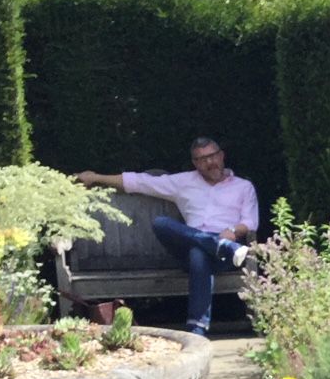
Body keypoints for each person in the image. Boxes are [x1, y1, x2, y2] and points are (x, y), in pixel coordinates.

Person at [76, 137, 258, 336]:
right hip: (191, 247)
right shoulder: (183, 182)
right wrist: (95, 177)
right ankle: (216, 244)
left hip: (226, 254)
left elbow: (250, 222)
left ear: (221, 156)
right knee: (161, 223)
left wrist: (232, 230)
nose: (209, 162)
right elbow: (139, 182)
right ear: (195, 164)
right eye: (202, 159)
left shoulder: (243, 187)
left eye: (212, 156)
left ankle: (197, 327)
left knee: (199, 253)